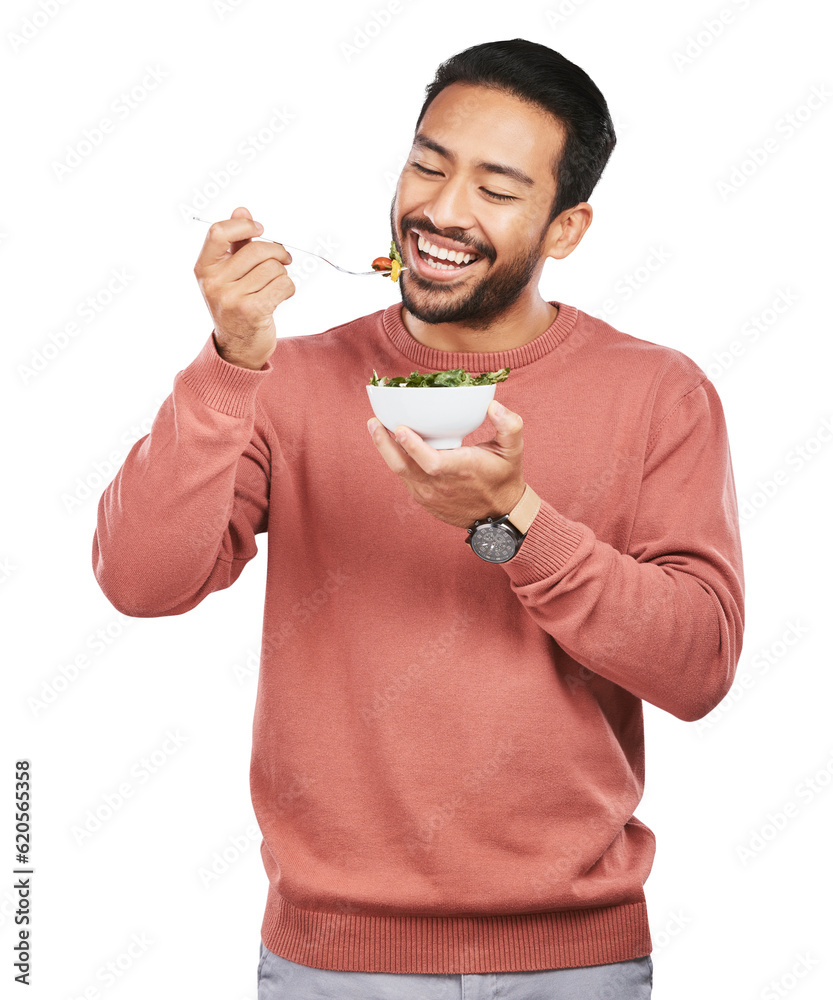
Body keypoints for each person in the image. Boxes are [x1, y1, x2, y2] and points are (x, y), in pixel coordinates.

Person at [92, 38, 744, 1000]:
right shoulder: (289, 378)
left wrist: (512, 522)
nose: (440, 211)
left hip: (575, 962)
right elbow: (141, 583)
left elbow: (697, 669)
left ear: (565, 229)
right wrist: (230, 362)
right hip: (330, 961)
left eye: (495, 188)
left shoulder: (659, 392)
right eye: (427, 165)